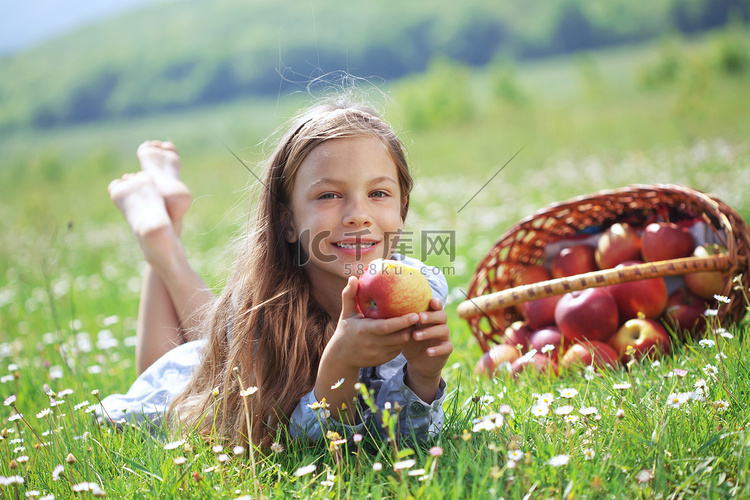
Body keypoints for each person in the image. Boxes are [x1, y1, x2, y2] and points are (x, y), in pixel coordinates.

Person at [98, 98, 452, 447]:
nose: (357, 215)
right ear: (288, 221)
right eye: (329, 195)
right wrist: (340, 361)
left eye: (378, 192)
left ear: (402, 210)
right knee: (167, 370)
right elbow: (286, 440)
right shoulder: (264, 309)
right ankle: (160, 242)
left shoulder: (421, 291)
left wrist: (422, 376)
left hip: (220, 351)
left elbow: (403, 434)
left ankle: (163, 233)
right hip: (189, 385)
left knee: (210, 341)